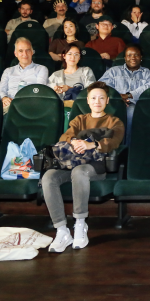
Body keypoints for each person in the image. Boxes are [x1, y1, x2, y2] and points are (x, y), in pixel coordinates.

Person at [44, 81, 125, 252]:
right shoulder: (79, 119)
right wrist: (74, 142)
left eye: (101, 98)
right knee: (48, 177)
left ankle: (80, 224)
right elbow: (65, 136)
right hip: (72, 161)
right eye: (93, 98)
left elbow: (114, 141)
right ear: (87, 101)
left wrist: (92, 144)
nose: (97, 101)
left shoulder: (114, 121)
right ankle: (61, 230)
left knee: (79, 172)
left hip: (95, 166)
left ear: (107, 100)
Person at [99, 45, 150, 144]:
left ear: (141, 57)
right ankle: (105, 146)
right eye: (129, 55)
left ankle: (127, 147)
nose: (133, 58)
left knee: (131, 112)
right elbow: (101, 85)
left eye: (136, 55)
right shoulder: (113, 71)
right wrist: (117, 97)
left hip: (134, 104)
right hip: (113, 103)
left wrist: (129, 95)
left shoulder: (147, 73)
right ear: (125, 58)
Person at [0, 38, 49, 112]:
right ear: (15, 54)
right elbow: (0, 90)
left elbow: (39, 90)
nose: (25, 54)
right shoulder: (8, 71)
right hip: (9, 106)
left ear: (32, 52)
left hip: (30, 105)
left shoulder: (41, 69)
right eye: (21, 51)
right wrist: (4, 98)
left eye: (28, 50)